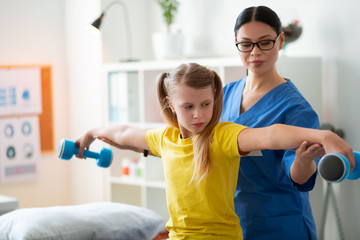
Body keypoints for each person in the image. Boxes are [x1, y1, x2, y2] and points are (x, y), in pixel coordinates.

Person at [75, 63, 353, 240]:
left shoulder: (222, 135)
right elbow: (124, 134)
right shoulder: (165, 139)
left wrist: (323, 135)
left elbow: (272, 134)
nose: (199, 115)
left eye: (206, 105)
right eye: (188, 107)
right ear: (171, 103)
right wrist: (90, 133)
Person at [221, 5, 343, 239]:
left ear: (281, 40)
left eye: (265, 42)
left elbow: (299, 177)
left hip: (280, 224)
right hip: (235, 220)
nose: (255, 52)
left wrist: (303, 160)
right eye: (246, 44)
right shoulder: (224, 95)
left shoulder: (296, 108)